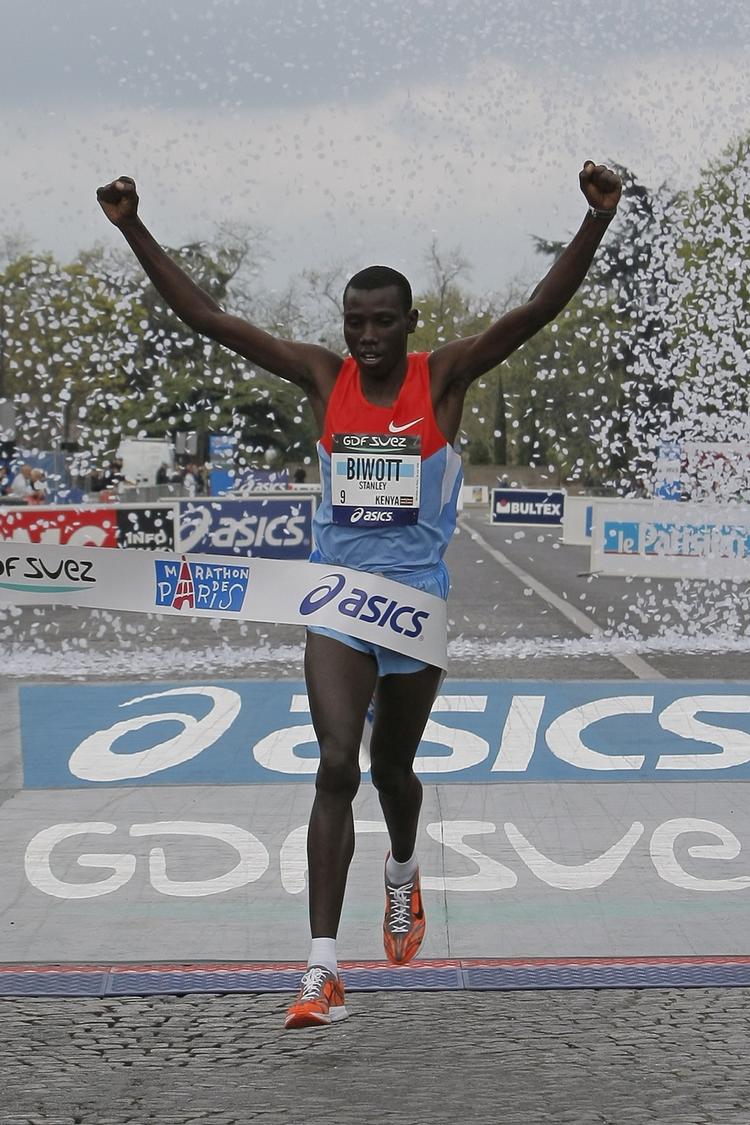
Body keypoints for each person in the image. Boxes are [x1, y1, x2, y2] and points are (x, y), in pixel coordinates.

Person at [97, 161, 622, 1028]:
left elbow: (533, 316)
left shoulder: (443, 376)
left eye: (382, 322)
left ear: (410, 324)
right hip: (338, 598)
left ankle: (404, 871)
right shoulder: (320, 376)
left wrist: (594, 222)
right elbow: (209, 319)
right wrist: (132, 228)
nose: (367, 336)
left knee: (392, 770)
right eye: (354, 322)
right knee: (336, 760)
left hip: (414, 603)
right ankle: (321, 970)